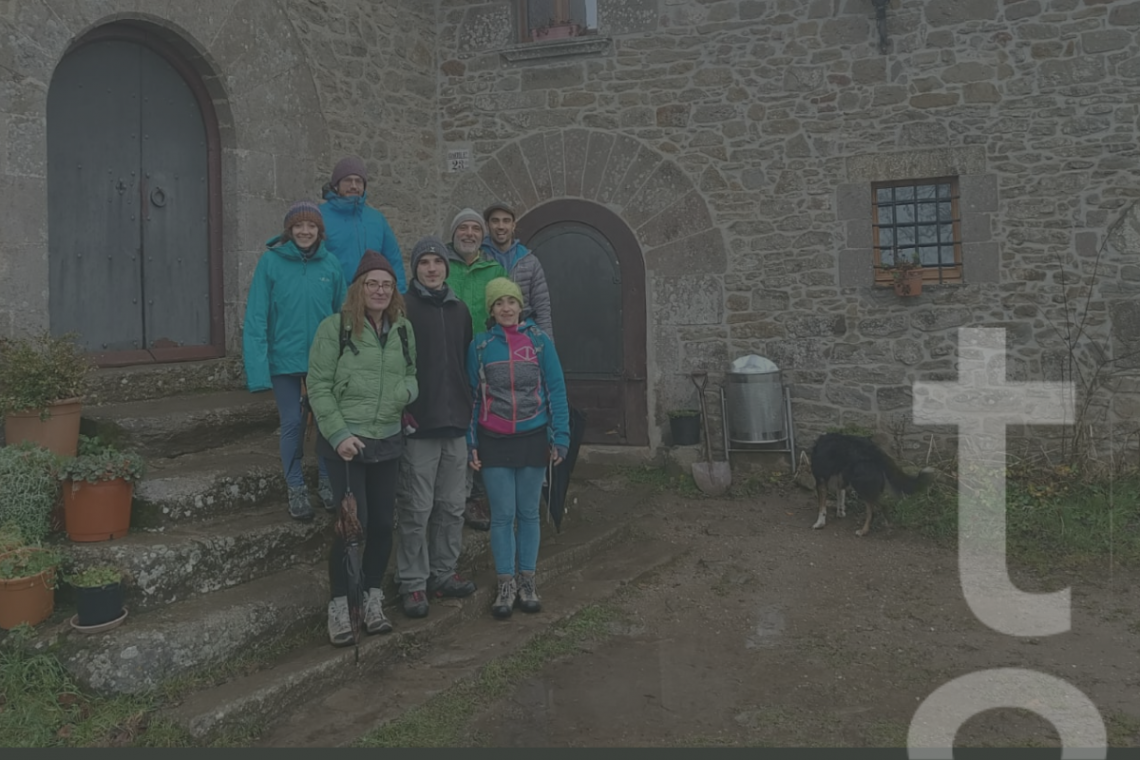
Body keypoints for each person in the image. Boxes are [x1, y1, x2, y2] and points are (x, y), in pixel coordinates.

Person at [306, 251, 417, 646]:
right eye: (372, 283)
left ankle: (371, 598)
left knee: (385, 524)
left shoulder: (403, 329)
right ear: (358, 288)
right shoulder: (333, 329)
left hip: (387, 438)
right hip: (347, 444)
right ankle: (340, 605)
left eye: (387, 284)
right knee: (354, 525)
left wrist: (406, 392)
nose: (380, 290)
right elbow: (317, 386)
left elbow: (411, 372)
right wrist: (338, 435)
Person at [467, 278, 569, 620]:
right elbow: (472, 398)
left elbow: (556, 388)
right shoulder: (480, 346)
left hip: (533, 436)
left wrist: (562, 436)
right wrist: (471, 443)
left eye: (512, 301)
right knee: (502, 516)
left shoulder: (539, 341)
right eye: (499, 303)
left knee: (528, 513)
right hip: (493, 439)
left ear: (520, 306)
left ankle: (528, 581)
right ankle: (505, 584)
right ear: (491, 310)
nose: (507, 308)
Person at [242, 200, 346, 522]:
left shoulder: (330, 266)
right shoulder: (270, 263)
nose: (305, 231)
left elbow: (344, 317)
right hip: (284, 361)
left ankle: (329, 482)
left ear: (319, 231)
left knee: (328, 425)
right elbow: (256, 316)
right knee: (292, 424)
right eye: (299, 226)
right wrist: (258, 370)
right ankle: (296, 487)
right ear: (289, 230)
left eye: (311, 226)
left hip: (323, 362)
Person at [394, 236, 478, 618]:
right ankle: (412, 582)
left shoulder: (460, 310)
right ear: (415, 268)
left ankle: (443, 573)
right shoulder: (403, 308)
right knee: (417, 508)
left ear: (447, 267)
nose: (431, 268)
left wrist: (466, 407)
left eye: (437, 262)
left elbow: (463, 362)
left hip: (456, 422)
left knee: (452, 505)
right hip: (419, 423)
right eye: (424, 262)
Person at [444, 208, 508, 532]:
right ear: (453, 233)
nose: (469, 233)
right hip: (448, 357)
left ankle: (480, 495)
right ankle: (458, 495)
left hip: (484, 356)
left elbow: (503, 308)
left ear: (482, 236)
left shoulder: (494, 269)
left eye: (475, 229)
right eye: (463, 228)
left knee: (484, 421)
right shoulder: (440, 265)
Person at [319, 155, 407, 293]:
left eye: (358, 181)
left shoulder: (377, 219)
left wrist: (399, 297)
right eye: (348, 180)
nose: (354, 186)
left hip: (372, 300)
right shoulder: (319, 217)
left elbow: (393, 261)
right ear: (336, 185)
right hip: (333, 299)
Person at [481, 202, 554, 343]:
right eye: (495, 221)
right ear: (487, 225)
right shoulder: (479, 259)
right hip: (488, 337)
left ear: (513, 225)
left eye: (506, 221)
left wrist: (547, 346)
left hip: (523, 337)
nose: (501, 226)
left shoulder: (529, 261)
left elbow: (542, 308)